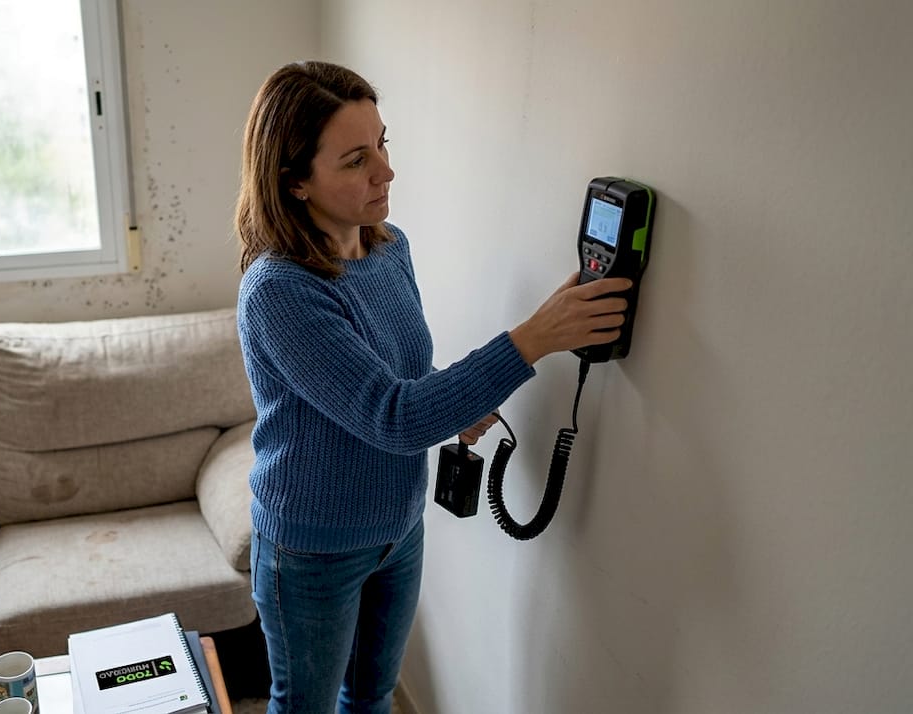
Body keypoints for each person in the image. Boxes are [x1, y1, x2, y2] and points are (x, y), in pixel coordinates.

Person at [233, 60, 631, 714]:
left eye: (383, 144)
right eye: (356, 159)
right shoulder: (279, 292)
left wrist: (459, 406)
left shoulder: (390, 250)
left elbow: (403, 381)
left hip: (399, 525)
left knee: (373, 698)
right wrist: (531, 337)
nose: (385, 171)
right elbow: (392, 416)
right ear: (295, 181)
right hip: (314, 547)